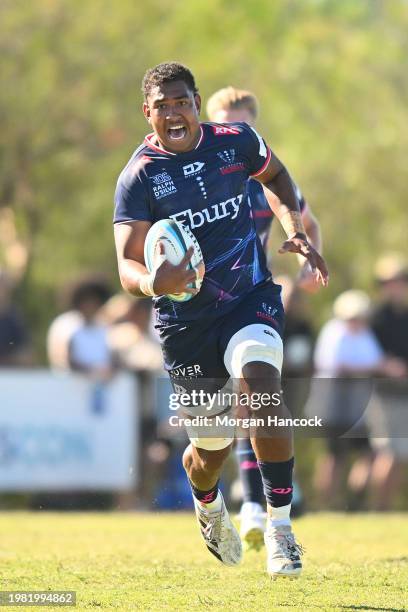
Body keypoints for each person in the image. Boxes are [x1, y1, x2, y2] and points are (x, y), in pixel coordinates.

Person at [113, 62, 328, 577]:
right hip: (185, 326)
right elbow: (126, 262)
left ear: (196, 103)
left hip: (247, 298)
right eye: (162, 106)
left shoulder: (235, 141)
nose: (174, 113)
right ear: (148, 114)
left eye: (182, 101)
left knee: (262, 389)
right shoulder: (139, 175)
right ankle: (208, 501)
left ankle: (279, 528)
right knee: (209, 449)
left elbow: (275, 174)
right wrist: (150, 283)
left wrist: (294, 226)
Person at [206, 87, 322, 548]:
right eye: (226, 123)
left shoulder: (264, 175)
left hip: (251, 300)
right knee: (221, 416)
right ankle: (239, 498)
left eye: (244, 124)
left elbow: (307, 221)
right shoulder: (196, 177)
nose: (235, 132)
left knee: (256, 396)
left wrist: (308, 259)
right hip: (199, 309)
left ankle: (257, 505)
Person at [368, 254, 408, 510]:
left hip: (404, 393)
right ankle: (376, 508)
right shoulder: (376, 317)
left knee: (400, 454)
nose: (390, 286)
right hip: (383, 393)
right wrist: (386, 365)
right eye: (385, 282)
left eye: (395, 281)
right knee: (388, 452)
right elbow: (365, 354)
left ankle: (385, 509)